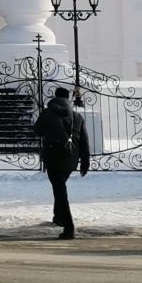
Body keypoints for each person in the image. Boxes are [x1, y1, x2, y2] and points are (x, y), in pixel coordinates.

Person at [34, 85, 90, 238]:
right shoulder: (77, 117)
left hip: (53, 156)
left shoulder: (48, 113)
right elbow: (84, 140)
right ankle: (58, 217)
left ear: (55, 97)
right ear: (68, 99)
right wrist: (85, 161)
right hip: (71, 158)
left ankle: (69, 227)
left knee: (60, 192)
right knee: (60, 187)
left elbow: (37, 130)